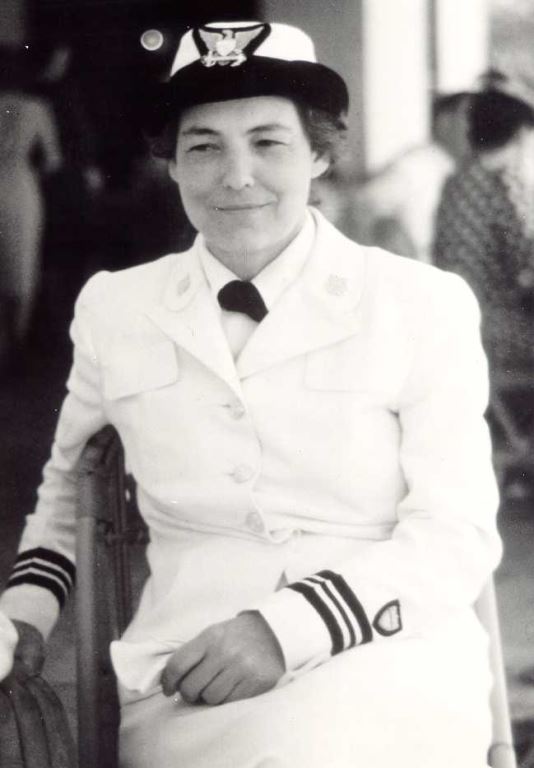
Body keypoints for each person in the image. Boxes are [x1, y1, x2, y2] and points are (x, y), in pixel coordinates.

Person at [0, 21, 500, 767]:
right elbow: (66, 500)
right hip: (190, 675)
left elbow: (457, 533)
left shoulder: (419, 302)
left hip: (392, 653)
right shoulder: (117, 308)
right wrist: (22, 619)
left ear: (321, 155)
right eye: (203, 146)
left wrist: (288, 628)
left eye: (268, 142)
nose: (235, 176)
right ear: (170, 164)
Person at [342, 90, 471, 263]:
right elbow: (361, 207)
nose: (478, 128)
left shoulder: (461, 169)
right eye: (469, 119)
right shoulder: (416, 165)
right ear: (445, 121)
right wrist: (387, 228)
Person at [0, 47, 61, 355]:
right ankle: (13, 343)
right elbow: (52, 161)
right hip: (18, 186)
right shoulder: (37, 108)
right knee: (20, 264)